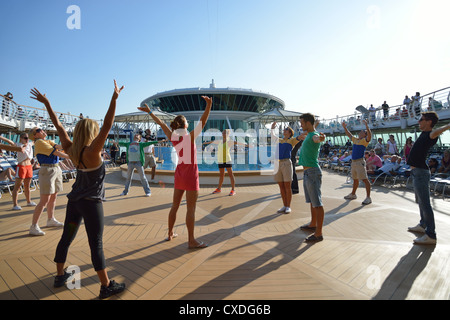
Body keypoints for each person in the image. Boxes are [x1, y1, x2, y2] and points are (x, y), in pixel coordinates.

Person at [30, 81, 126, 299]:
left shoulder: (71, 148)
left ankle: (59, 275)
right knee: (96, 244)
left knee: (66, 237)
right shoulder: (93, 151)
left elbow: (59, 126)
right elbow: (108, 125)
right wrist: (114, 98)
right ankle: (105, 285)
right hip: (92, 204)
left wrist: (47, 104)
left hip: (74, 202)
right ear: (92, 132)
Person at [138, 97, 213, 248]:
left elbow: (161, 123)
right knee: (190, 209)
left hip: (179, 174)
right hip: (191, 176)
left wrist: (151, 112)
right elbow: (203, 122)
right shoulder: (190, 137)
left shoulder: (173, 137)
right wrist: (209, 105)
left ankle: (170, 233)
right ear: (185, 125)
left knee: (175, 206)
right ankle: (191, 241)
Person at [407, 112, 450, 245]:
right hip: (416, 172)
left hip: (421, 173)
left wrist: (448, 126)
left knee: (425, 204)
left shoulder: (431, 135)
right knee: (420, 201)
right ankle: (423, 224)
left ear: (429, 122)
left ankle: (431, 234)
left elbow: (437, 131)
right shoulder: (424, 133)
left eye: (421, 119)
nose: (419, 121)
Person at [28, 127, 67, 236]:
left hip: (55, 168)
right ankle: (33, 226)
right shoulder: (39, 142)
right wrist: (73, 157)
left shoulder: (47, 141)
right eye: (39, 130)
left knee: (53, 197)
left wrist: (71, 143)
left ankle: (50, 219)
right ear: (35, 135)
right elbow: (57, 153)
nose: (42, 130)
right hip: (47, 170)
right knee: (44, 200)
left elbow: (60, 147)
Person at [297, 113, 326, 242]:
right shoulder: (309, 133)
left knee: (317, 204)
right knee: (312, 202)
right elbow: (314, 130)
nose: (301, 125)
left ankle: (318, 233)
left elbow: (317, 138)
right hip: (308, 173)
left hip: (313, 172)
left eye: (302, 123)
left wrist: (321, 138)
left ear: (308, 123)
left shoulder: (314, 135)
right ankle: (313, 224)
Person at [271, 123, 302, 214]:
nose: (284, 130)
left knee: (287, 186)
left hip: (286, 163)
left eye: (286, 129)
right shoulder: (279, 140)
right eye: (284, 129)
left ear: (289, 132)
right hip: (278, 163)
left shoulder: (291, 140)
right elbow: (273, 136)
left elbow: (300, 137)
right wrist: (272, 128)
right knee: (281, 186)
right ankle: (284, 205)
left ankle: (288, 206)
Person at [0, 134, 37, 210]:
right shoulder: (18, 145)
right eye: (25, 138)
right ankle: (15, 204)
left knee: (27, 186)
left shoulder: (29, 144)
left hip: (29, 167)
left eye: (28, 138)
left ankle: (29, 201)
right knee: (17, 186)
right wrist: (1, 137)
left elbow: (35, 140)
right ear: (21, 138)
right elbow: (9, 141)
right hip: (22, 167)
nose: (27, 140)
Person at [342, 119, 372, 205]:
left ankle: (368, 197)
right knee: (355, 179)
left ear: (365, 134)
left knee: (365, 179)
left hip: (359, 162)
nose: (360, 132)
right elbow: (349, 134)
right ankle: (353, 194)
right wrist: (345, 127)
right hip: (354, 162)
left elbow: (369, 136)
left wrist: (367, 126)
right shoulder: (356, 140)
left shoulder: (364, 141)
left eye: (362, 132)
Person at [208, 129, 240, 196]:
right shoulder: (220, 142)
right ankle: (219, 189)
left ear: (227, 134)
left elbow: (238, 143)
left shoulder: (229, 141)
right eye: (222, 133)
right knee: (221, 175)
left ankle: (233, 190)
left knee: (230, 174)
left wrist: (248, 145)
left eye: (224, 133)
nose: (223, 134)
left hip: (227, 160)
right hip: (220, 160)